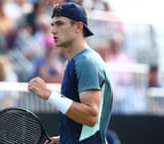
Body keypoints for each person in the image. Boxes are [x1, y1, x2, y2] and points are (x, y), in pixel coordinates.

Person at [28, 2, 113, 144]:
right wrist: (65, 140)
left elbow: (91, 116)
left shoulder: (87, 61)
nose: (53, 30)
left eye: (60, 24)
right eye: (53, 24)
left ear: (78, 27)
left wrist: (49, 95)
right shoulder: (75, 62)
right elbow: (85, 127)